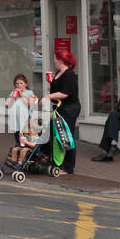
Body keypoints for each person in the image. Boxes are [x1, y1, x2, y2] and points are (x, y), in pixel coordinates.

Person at [41, 47, 81, 175]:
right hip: (60, 108)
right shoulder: (59, 72)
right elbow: (57, 89)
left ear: (60, 60)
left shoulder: (69, 74)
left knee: (66, 137)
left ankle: (69, 167)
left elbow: (64, 93)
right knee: (55, 134)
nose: (53, 61)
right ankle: (51, 159)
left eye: (55, 58)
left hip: (69, 108)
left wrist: (47, 97)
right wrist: (51, 82)